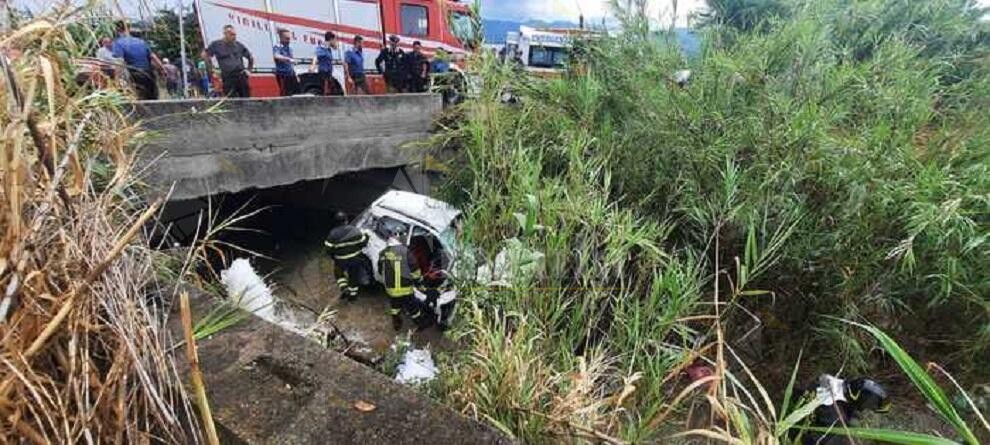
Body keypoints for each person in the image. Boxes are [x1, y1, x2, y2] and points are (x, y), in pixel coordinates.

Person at [379, 230, 424, 330]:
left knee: (395, 307)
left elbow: (380, 269)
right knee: (413, 308)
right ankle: (420, 324)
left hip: (391, 289)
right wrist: (419, 282)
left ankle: (397, 323)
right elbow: (415, 270)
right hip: (406, 289)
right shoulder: (406, 252)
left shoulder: (384, 252)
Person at [324, 211, 371, 302]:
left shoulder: (333, 234)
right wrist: (367, 236)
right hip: (355, 259)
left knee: (338, 273)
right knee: (353, 277)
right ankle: (353, 296)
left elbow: (328, 249)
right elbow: (363, 243)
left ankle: (344, 288)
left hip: (340, 260)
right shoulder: (355, 231)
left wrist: (334, 256)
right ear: (346, 220)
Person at [111, 23, 163, 100]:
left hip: (134, 75)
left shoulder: (118, 43)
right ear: (129, 29)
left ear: (117, 31)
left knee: (138, 100)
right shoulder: (141, 41)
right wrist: (162, 69)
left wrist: (117, 79)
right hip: (148, 74)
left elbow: (119, 62)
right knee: (152, 99)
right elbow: (153, 56)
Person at [202, 24, 254, 98]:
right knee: (231, 100)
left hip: (241, 75)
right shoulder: (216, 44)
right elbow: (205, 55)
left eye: (235, 35)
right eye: (232, 35)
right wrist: (212, 70)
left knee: (246, 99)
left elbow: (250, 57)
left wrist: (249, 70)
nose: (234, 37)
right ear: (225, 34)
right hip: (228, 77)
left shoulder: (238, 45)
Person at [309, 31, 339, 95]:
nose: (335, 42)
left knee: (333, 91)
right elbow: (316, 56)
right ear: (331, 39)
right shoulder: (322, 48)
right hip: (323, 74)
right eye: (334, 40)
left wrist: (334, 45)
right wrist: (313, 66)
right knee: (325, 92)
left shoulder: (328, 49)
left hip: (329, 74)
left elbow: (335, 47)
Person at [273, 28, 299, 96]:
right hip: (282, 75)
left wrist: (296, 75)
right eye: (287, 38)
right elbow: (276, 55)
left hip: (291, 74)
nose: (289, 40)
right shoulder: (278, 46)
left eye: (289, 38)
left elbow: (292, 64)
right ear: (281, 38)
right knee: (285, 94)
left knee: (295, 93)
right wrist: (288, 59)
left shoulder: (289, 48)